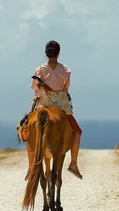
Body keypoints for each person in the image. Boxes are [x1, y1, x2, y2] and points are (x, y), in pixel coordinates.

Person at [29, 40, 83, 179]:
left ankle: (30, 167)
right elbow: (66, 87)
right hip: (62, 106)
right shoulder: (66, 70)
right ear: (58, 53)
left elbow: (36, 88)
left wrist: (39, 95)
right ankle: (73, 164)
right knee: (77, 131)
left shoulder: (39, 69)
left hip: (45, 104)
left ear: (46, 53)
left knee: (28, 130)